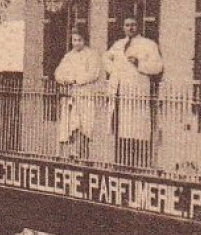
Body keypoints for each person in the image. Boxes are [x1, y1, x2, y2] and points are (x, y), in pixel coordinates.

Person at [104, 16, 164, 166]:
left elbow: (158, 67)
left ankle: (139, 165)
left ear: (139, 26)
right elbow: (105, 58)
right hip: (121, 93)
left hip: (138, 93)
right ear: (123, 27)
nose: (130, 28)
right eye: (127, 25)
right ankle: (122, 164)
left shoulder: (149, 45)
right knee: (122, 130)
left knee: (138, 131)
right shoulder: (118, 44)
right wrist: (114, 71)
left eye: (133, 25)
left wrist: (140, 63)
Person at [53, 29, 105, 159]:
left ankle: (82, 155)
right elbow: (58, 72)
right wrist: (64, 80)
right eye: (74, 40)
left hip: (85, 95)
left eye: (79, 40)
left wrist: (77, 80)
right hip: (71, 94)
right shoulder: (69, 56)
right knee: (70, 124)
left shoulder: (92, 55)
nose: (76, 43)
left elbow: (94, 73)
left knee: (84, 126)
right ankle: (71, 153)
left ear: (84, 40)